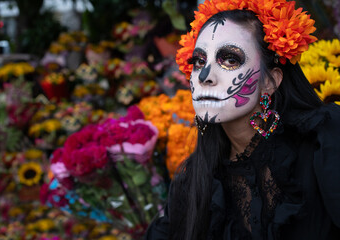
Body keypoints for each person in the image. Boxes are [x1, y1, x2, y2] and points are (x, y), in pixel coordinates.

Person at [145, 0, 340, 239]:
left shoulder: (323, 139)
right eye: (198, 61)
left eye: (229, 60)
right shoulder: (192, 181)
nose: (205, 76)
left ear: (270, 81)